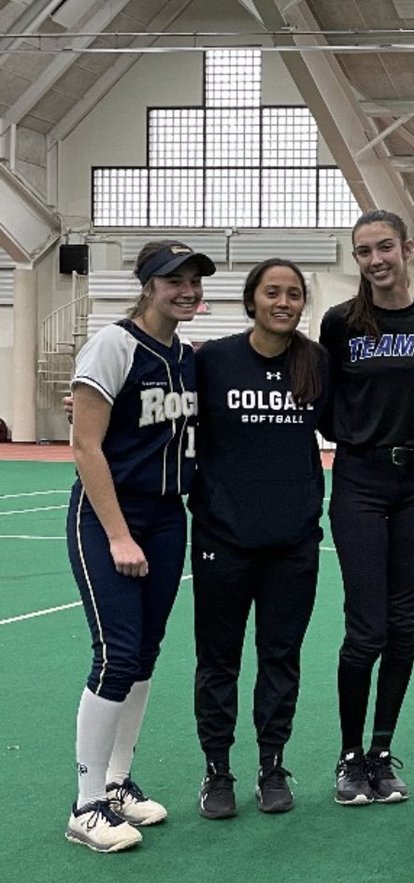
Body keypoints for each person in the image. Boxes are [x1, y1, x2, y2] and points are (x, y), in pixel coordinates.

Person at [65, 240, 214, 852]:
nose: (186, 290)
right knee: (117, 653)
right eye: (172, 280)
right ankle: (85, 804)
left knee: (145, 655)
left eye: (194, 282)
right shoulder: (113, 344)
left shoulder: (184, 356)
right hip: (111, 516)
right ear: (147, 285)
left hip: (165, 516)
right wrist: (119, 533)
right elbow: (85, 446)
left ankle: (118, 784)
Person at [318, 209, 414, 806]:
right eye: (365, 251)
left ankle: (381, 750)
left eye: (385, 247)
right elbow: (320, 397)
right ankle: (348, 757)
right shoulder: (341, 322)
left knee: (405, 624)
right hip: (359, 482)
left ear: (407, 249)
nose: (376, 260)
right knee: (365, 627)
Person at [191, 259, 330, 819]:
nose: (284, 302)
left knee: (281, 658)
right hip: (222, 540)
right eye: (272, 292)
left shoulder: (315, 363)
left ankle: (272, 765)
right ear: (251, 300)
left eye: (294, 294)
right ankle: (217, 771)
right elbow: (164, 411)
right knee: (218, 661)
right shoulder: (215, 361)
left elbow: (359, 416)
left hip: (292, 544)